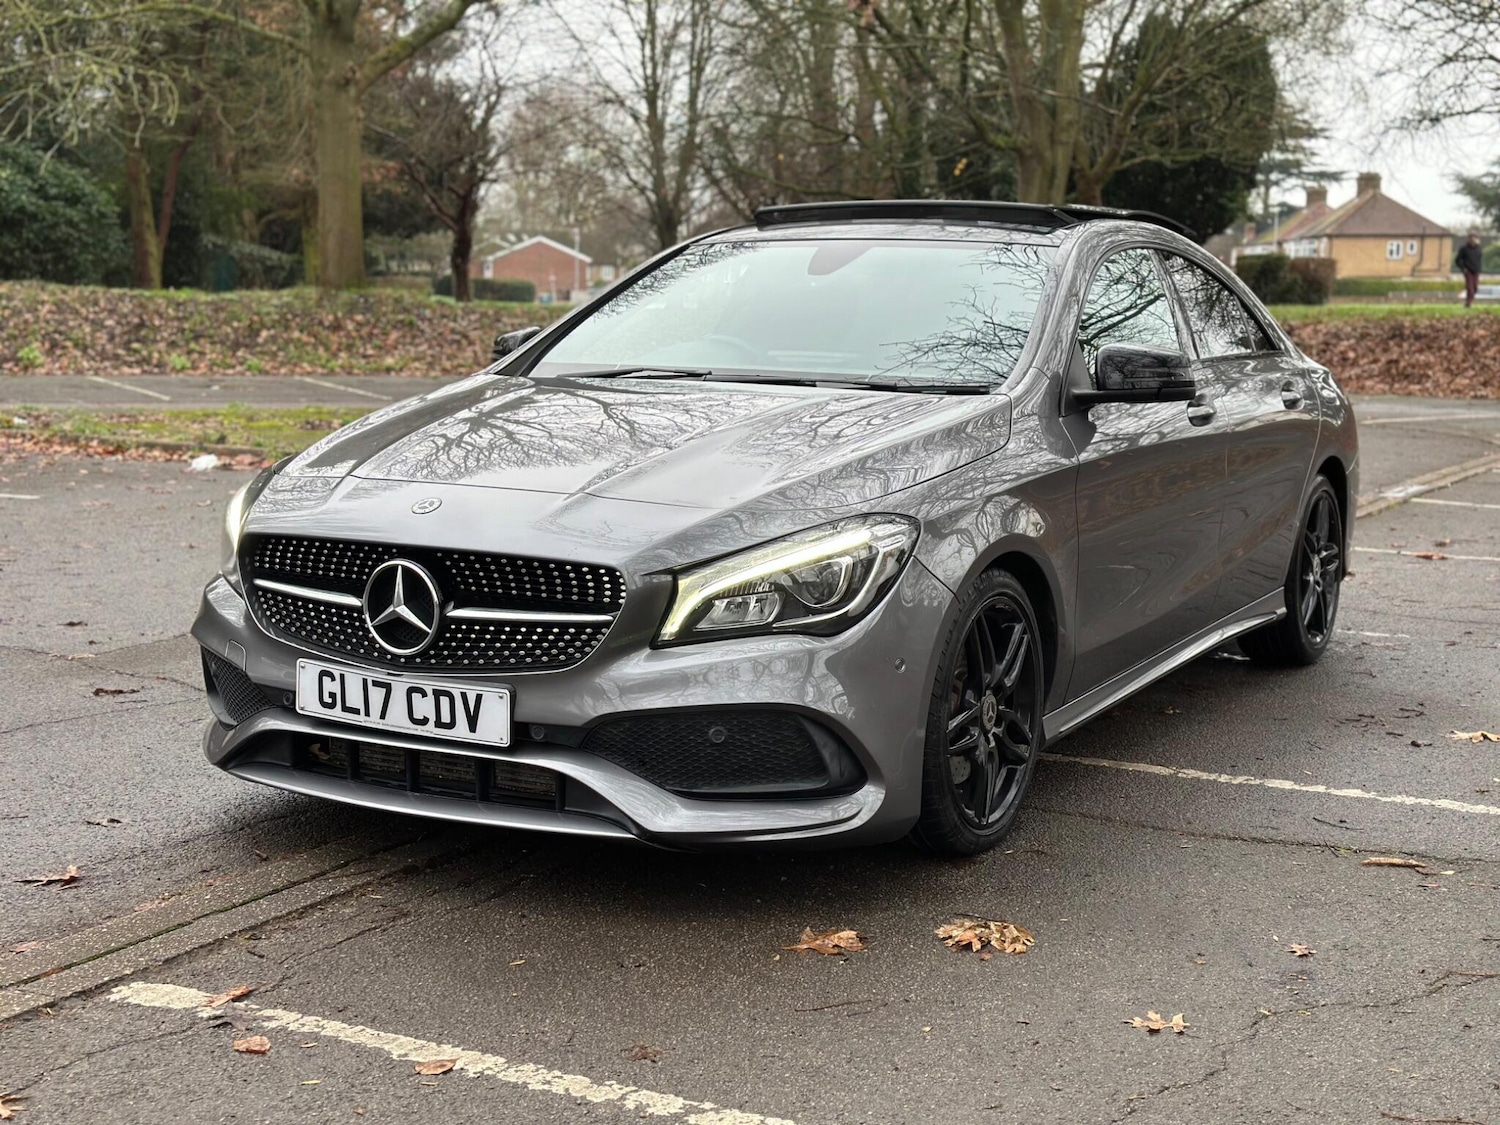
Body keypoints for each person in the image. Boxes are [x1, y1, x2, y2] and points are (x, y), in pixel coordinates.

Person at [1456, 233, 1483, 307]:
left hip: (1476, 270)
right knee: (1470, 288)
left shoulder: (1479, 249)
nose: (1472, 240)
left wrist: (1479, 269)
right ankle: (1469, 302)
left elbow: (1479, 259)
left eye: (1474, 238)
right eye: (1471, 238)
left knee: (1475, 288)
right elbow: (1458, 260)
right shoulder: (1464, 249)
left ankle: (1469, 301)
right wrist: (1463, 268)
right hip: (1468, 270)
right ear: (1468, 239)